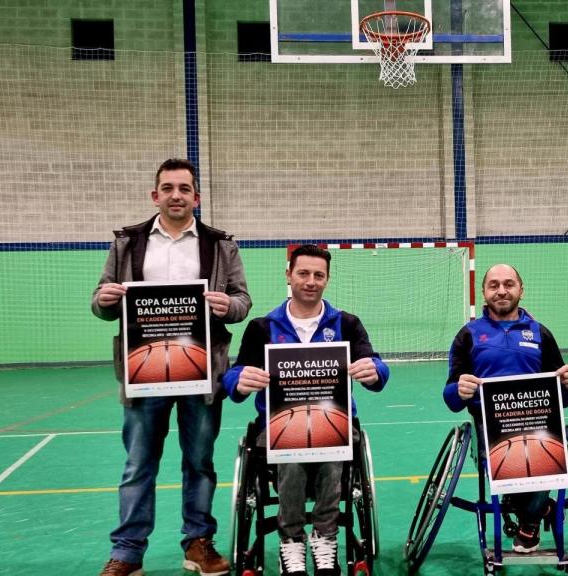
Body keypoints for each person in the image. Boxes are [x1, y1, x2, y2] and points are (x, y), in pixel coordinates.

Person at [91, 158, 252, 576]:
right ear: (155, 195)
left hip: (201, 372)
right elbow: (101, 300)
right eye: (168, 188)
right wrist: (104, 300)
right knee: (138, 465)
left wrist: (228, 305)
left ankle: (197, 543)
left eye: (184, 188)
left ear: (196, 197)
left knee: (199, 462)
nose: (176, 195)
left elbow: (242, 301)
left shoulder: (220, 245)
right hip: (143, 373)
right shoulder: (127, 243)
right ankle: (127, 552)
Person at [221, 243, 389, 576]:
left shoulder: (347, 324)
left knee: (331, 441)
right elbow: (233, 377)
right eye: (303, 273)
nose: (311, 281)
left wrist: (375, 371)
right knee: (292, 445)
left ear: (327, 279)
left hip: (334, 423)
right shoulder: (262, 327)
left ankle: (325, 537)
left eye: (318, 275)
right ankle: (291, 540)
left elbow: (377, 369)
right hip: (278, 425)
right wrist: (239, 380)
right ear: (289, 275)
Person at [443, 263, 568, 554]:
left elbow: (562, 398)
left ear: (521, 290)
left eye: (509, 284)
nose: (502, 291)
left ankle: (529, 523)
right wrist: (459, 390)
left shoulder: (541, 333)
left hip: (537, 423)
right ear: (483, 292)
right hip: (490, 425)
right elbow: (451, 399)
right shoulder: (468, 335)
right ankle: (540, 509)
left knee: (547, 455)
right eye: (493, 285)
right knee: (508, 460)